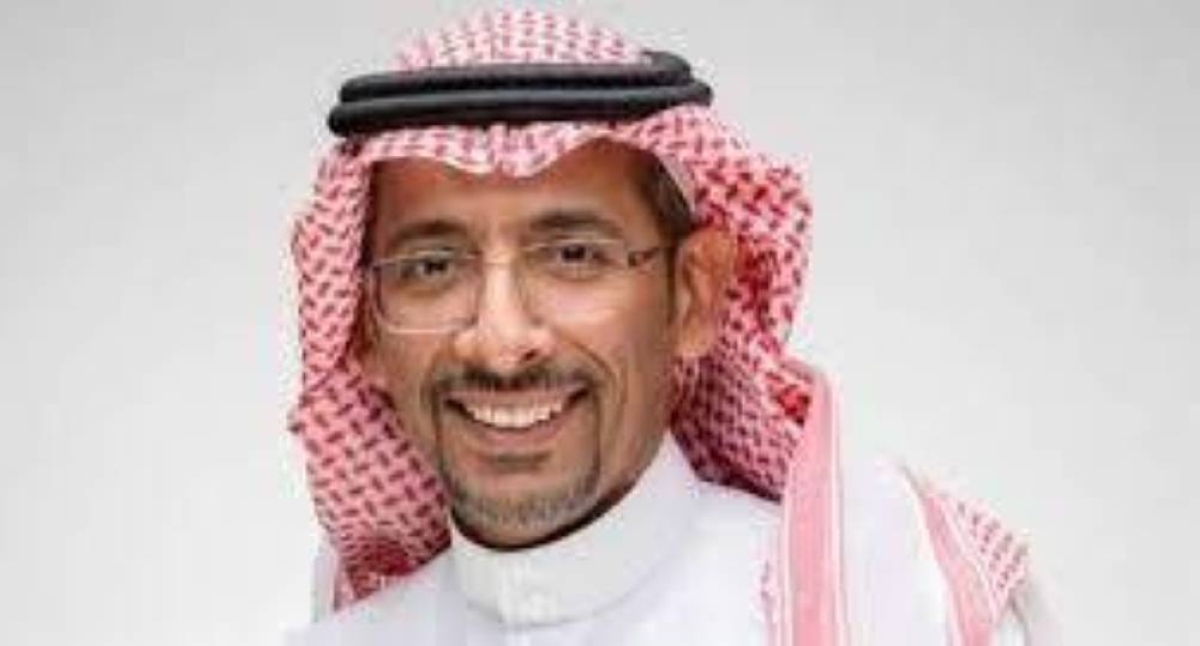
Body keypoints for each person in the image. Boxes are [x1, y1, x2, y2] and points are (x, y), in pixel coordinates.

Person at [283, 9, 1046, 645]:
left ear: (693, 295)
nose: (501, 340)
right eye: (431, 267)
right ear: (364, 331)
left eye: (573, 256)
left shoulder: (903, 615)